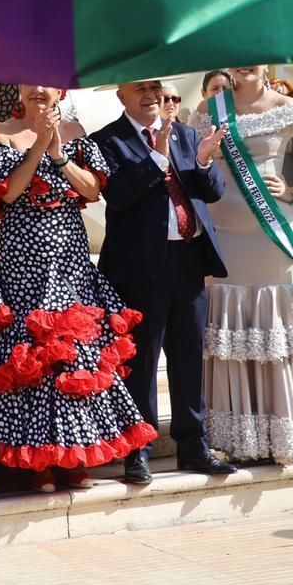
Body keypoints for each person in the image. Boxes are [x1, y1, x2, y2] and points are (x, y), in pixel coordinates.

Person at [0, 84, 156, 493]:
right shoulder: (3, 132)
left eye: (44, 85)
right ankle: (35, 464)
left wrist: (57, 153)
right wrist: (37, 147)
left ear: (58, 91)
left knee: (72, 358)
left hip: (67, 260)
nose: (37, 91)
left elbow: (93, 189)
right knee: (29, 359)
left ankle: (71, 455)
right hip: (22, 264)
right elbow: (8, 193)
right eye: (28, 85)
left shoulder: (77, 131)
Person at [194, 65, 293, 465]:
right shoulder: (210, 107)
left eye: (256, 57)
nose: (247, 62)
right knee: (232, 328)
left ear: (266, 64)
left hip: (270, 232)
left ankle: (283, 432)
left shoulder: (286, 107)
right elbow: (194, 160)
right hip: (222, 233)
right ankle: (239, 437)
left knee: (270, 327)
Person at [92, 78, 239, 483]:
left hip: (188, 259)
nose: (151, 95)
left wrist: (206, 161)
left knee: (189, 355)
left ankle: (194, 445)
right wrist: (156, 158)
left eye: (156, 87)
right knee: (140, 362)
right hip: (140, 267)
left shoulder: (188, 134)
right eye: (140, 88)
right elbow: (118, 196)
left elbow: (210, 192)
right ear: (121, 95)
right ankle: (138, 448)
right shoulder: (107, 140)